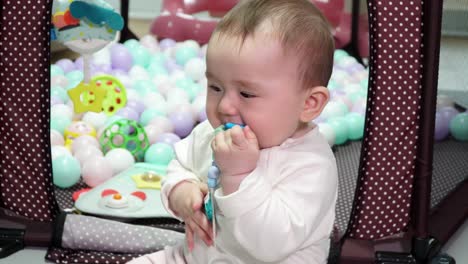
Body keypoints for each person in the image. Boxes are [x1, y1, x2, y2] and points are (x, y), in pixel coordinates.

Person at [128, 0, 337, 263]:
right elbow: (181, 164)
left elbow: (270, 246)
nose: (225, 106)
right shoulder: (212, 133)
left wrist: (239, 176)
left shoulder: (311, 166)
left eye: (246, 93)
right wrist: (181, 191)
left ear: (309, 104)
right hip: (195, 256)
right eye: (215, 87)